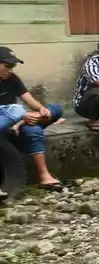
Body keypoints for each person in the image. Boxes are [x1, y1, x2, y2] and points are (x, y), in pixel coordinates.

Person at [0, 47, 64, 190]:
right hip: (5, 125)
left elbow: (29, 101)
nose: (10, 69)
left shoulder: (12, 78)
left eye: (13, 66)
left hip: (18, 120)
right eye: (7, 65)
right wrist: (22, 117)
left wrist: (41, 112)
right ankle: (44, 176)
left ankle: (28, 121)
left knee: (55, 109)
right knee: (32, 130)